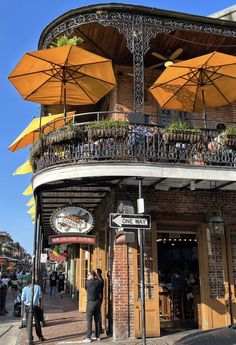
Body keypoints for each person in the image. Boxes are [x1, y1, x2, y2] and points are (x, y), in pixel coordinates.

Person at [21, 276, 46, 342]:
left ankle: (30, 337)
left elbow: (23, 299)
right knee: (37, 322)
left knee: (28, 323)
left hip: (27, 307)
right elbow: (40, 298)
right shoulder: (38, 287)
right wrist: (40, 306)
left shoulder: (25, 288)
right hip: (35, 307)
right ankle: (40, 337)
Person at [83, 270, 101, 343]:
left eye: (88, 275)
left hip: (90, 303)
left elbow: (86, 288)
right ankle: (97, 336)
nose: (87, 276)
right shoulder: (98, 282)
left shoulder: (87, 282)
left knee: (89, 320)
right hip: (97, 302)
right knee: (97, 320)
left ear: (91, 275)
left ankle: (88, 336)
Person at [96, 268, 104, 334]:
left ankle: (99, 329)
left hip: (99, 297)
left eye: (96, 272)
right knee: (98, 313)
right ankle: (99, 328)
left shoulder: (100, 280)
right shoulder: (98, 279)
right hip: (99, 297)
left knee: (98, 313)